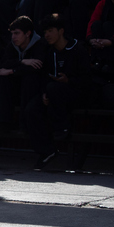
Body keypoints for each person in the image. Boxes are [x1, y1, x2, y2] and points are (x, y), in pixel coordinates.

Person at [26, 14, 90, 170]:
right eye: (45, 32)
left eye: (50, 31)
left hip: (76, 93)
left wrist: (69, 80)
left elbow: (86, 79)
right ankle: (47, 151)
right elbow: (43, 76)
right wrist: (44, 93)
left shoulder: (78, 49)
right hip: (52, 93)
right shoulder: (48, 50)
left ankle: (63, 127)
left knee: (54, 89)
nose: (47, 35)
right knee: (31, 109)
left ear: (61, 31)